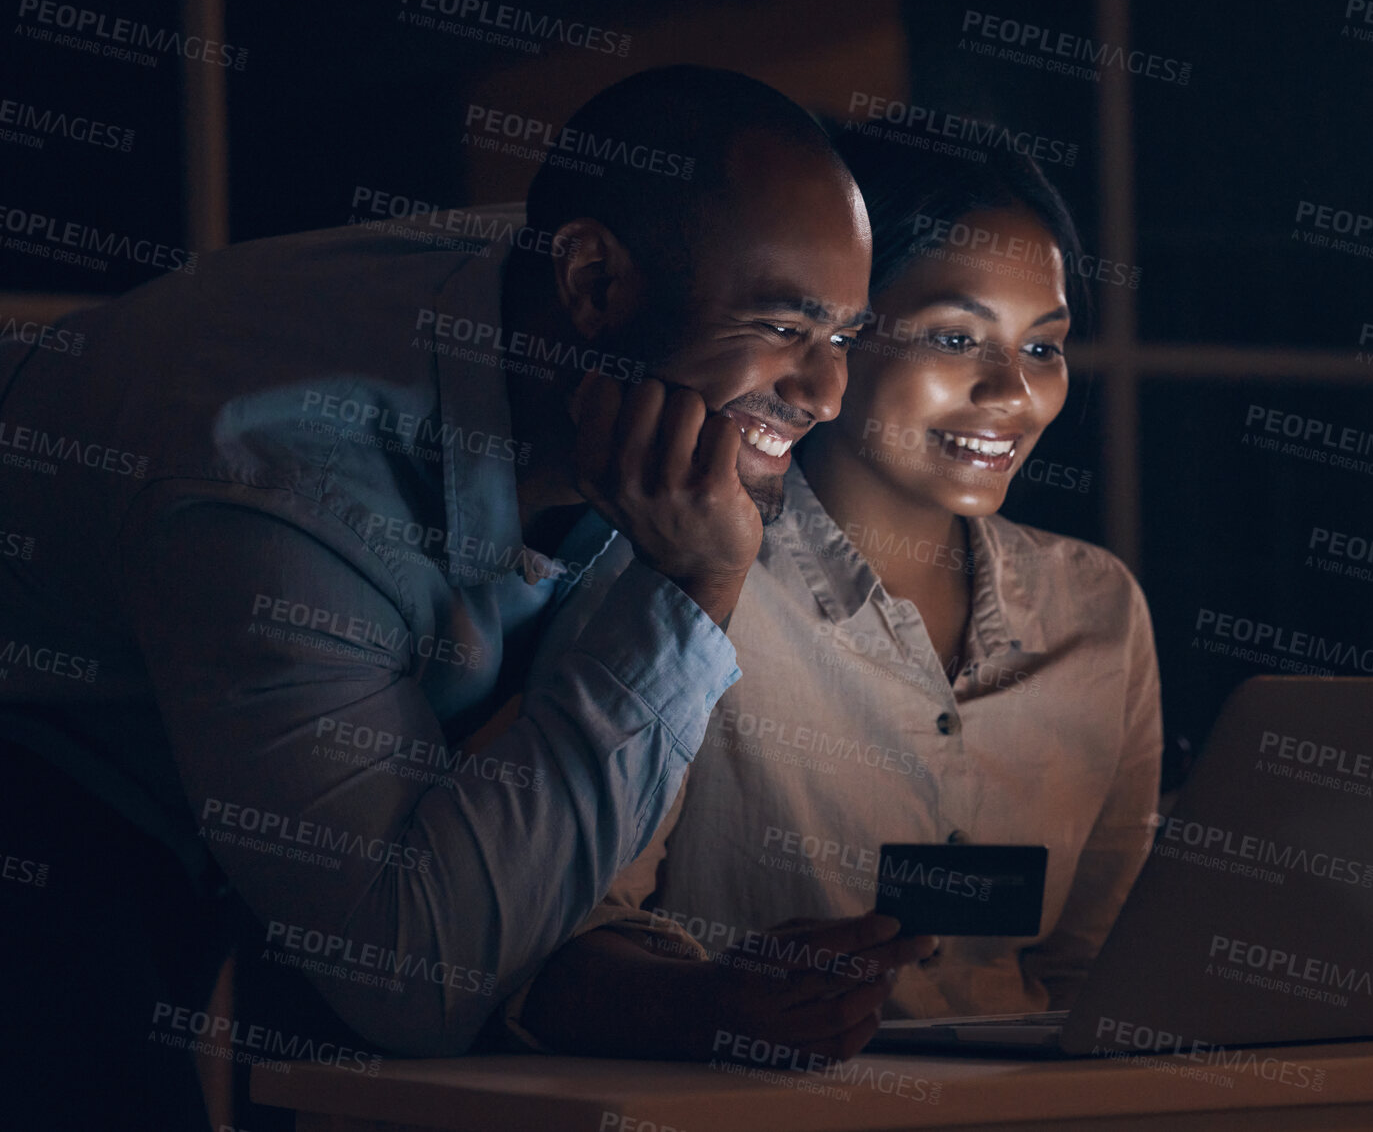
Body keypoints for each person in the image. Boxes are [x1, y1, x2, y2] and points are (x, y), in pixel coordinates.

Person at [0, 66, 929, 1129]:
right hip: (44, 736)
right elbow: (410, 976)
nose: (827, 394)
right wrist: (693, 583)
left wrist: (683, 992)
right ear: (592, 284)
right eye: (785, 325)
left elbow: (501, 889)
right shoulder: (277, 479)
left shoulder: (626, 313)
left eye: (845, 336)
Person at [522, 124, 1162, 1053]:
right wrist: (711, 1004)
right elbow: (558, 943)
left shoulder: (1097, 609)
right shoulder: (681, 570)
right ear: (839, 331)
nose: (1012, 395)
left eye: (1044, 348)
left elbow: (1095, 972)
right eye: (956, 336)